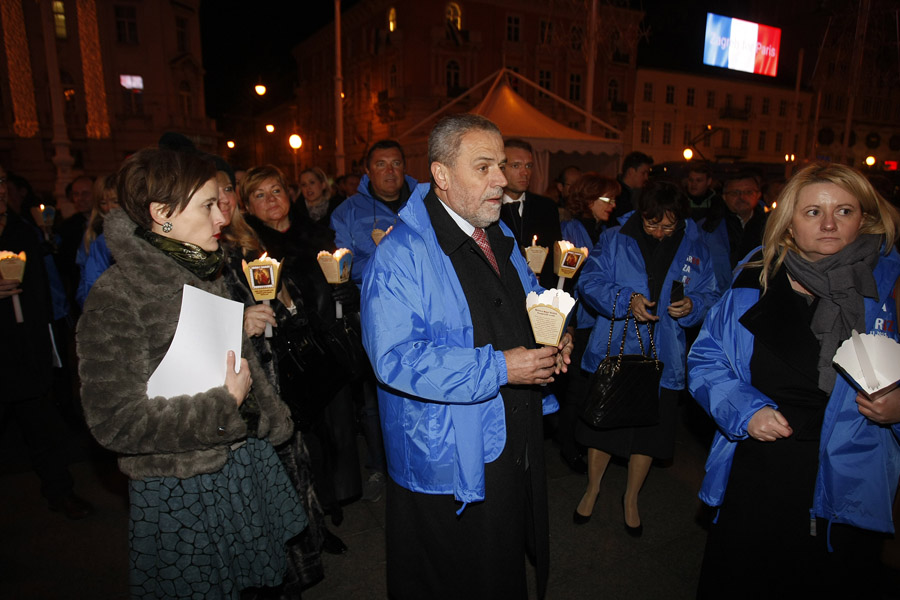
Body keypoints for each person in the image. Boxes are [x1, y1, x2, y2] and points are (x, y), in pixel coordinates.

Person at [77, 149, 306, 599]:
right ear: (162, 215)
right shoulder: (116, 297)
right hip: (182, 485)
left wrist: (264, 412)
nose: (223, 212)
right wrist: (222, 406)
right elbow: (114, 421)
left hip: (237, 465)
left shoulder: (201, 269)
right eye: (206, 204)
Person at [361, 113, 573, 599]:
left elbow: (533, 296)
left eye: (501, 165)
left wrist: (557, 333)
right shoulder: (400, 254)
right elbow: (395, 358)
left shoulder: (497, 233)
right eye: (484, 167)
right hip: (448, 452)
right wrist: (502, 367)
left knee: (500, 562)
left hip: (511, 434)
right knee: (457, 573)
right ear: (441, 175)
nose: (502, 180)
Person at [689, 163, 900, 598]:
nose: (828, 224)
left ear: (864, 217)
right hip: (763, 470)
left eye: (843, 210)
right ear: (788, 222)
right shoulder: (756, 280)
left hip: (852, 479)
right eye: (812, 212)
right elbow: (707, 360)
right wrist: (745, 410)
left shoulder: (890, 288)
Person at [573, 181, 718, 533]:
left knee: (649, 433)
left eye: (668, 225)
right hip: (616, 346)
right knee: (604, 422)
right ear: (641, 214)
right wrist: (626, 299)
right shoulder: (615, 237)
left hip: (664, 351)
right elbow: (589, 282)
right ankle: (592, 488)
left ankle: (632, 496)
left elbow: (712, 292)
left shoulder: (696, 245)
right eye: (652, 223)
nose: (659, 232)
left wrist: (694, 305)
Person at [242, 165, 363, 524]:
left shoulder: (316, 235)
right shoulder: (250, 249)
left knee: (339, 429)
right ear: (248, 206)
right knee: (305, 437)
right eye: (260, 196)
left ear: (288, 194)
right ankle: (314, 506)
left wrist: (346, 291)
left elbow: (339, 281)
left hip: (328, 346)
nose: (271, 201)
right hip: (286, 355)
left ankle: (337, 498)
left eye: (276, 191)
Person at [0, 164, 93, 520]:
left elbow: (46, 290)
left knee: (43, 428)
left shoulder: (23, 232)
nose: (0, 190)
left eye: (2, 181)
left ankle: (61, 492)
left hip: (27, 347)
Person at [556, 174, 621, 473]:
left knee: (593, 387)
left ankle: (584, 442)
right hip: (579, 322)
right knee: (576, 390)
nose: (613, 205)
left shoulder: (608, 231)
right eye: (608, 199)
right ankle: (568, 447)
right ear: (589, 199)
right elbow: (564, 281)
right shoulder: (571, 229)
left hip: (599, 321)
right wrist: (566, 324)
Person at [330, 139, 417, 286]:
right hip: (373, 297)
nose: (390, 171)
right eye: (381, 164)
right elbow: (344, 265)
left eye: (396, 163)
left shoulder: (423, 204)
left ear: (404, 168)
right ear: (368, 171)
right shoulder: (347, 212)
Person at [499, 138, 563, 290]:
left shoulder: (547, 207)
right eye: (516, 166)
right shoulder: (486, 208)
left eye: (529, 166)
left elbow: (554, 257)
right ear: (500, 168)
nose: (525, 173)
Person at [699, 170, 768, 292]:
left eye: (748, 192)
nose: (742, 197)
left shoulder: (771, 226)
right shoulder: (708, 227)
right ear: (724, 197)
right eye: (735, 193)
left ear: (758, 195)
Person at [75, 173, 118, 308]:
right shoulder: (93, 234)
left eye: (115, 201)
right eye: (103, 203)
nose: (109, 208)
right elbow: (86, 277)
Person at [611, 151, 653, 220]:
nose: (646, 178)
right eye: (643, 173)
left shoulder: (637, 193)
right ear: (631, 171)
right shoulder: (617, 194)